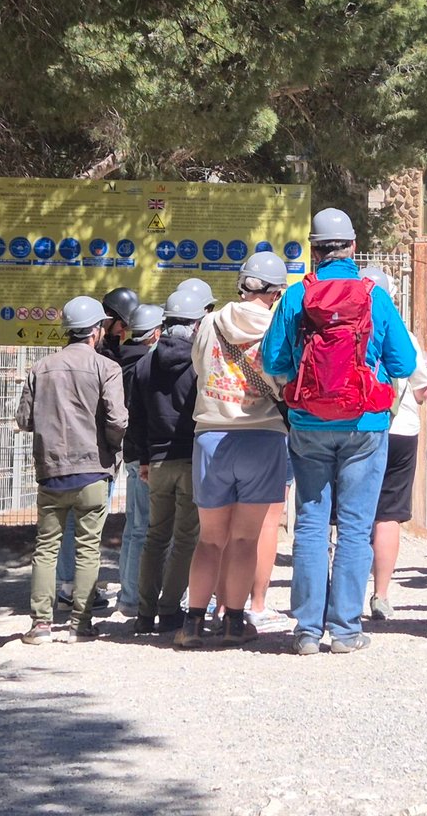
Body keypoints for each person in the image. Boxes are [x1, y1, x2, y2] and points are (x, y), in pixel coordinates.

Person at [263, 208, 417, 655]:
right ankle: (346, 630)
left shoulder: (296, 297)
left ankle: (307, 630)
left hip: (308, 421)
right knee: (354, 526)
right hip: (365, 423)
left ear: (314, 249)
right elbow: (404, 363)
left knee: (311, 524)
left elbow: (273, 362)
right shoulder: (374, 295)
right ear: (352, 247)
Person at [178, 251, 292, 648]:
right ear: (277, 292)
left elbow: (198, 369)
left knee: (210, 539)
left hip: (211, 436)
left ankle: (192, 623)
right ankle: (234, 621)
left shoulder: (209, 323)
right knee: (245, 538)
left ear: (242, 284)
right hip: (262, 436)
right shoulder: (280, 325)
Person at [14, 295, 129, 644]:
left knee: (46, 548)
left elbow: (23, 419)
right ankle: (81, 624)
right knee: (88, 548)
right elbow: (118, 419)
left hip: (51, 471)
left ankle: (40, 625)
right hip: (94, 470)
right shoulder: (107, 368)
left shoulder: (40, 368)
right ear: (95, 331)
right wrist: (109, 447)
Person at [125, 291, 202, 636]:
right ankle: (170, 610)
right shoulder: (200, 363)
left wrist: (142, 459)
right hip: (191, 459)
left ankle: (144, 612)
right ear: (194, 324)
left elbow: (136, 418)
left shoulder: (144, 364)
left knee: (155, 537)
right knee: (185, 538)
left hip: (155, 461)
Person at [360, 265, 427, 622]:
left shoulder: (340, 326)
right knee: (388, 515)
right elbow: (421, 391)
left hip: (355, 427)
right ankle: (381, 595)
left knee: (353, 512)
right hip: (400, 429)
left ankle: (344, 593)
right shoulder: (404, 332)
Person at [114, 303, 163, 618]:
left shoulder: (118, 361)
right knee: (151, 528)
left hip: (130, 452)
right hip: (148, 454)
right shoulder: (150, 364)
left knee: (134, 527)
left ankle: (128, 596)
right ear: (156, 332)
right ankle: (138, 597)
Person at [99, 287, 140, 362]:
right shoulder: (91, 342)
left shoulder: (112, 340)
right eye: (123, 325)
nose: (124, 331)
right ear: (109, 317)